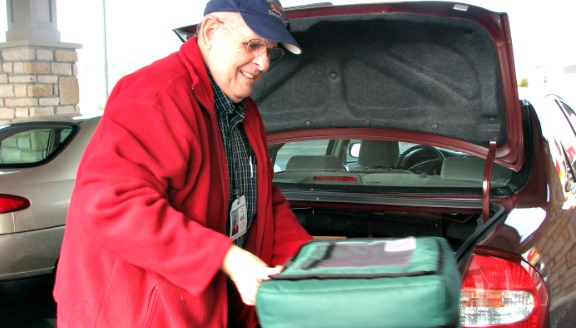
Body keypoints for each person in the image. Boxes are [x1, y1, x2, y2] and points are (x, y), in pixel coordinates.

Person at [53, 0, 312, 326]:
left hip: (206, 308)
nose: (262, 63)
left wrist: (307, 261)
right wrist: (226, 257)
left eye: (271, 51)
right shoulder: (156, 95)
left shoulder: (245, 113)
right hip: (134, 316)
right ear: (210, 32)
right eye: (252, 44)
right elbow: (111, 204)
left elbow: (263, 200)